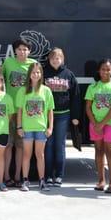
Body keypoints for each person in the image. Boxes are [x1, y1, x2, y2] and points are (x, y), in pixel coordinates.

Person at [85, 58, 111, 193]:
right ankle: (101, 181)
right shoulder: (93, 87)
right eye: (103, 69)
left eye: (108, 69)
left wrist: (102, 124)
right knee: (99, 151)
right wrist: (95, 123)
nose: (105, 72)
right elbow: (88, 107)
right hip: (95, 124)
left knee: (110, 151)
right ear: (99, 70)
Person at [43, 47, 81, 187]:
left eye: (58, 58)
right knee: (48, 145)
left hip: (63, 115)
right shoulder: (43, 73)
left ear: (62, 59)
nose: (55, 60)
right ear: (49, 59)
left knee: (60, 145)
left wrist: (75, 116)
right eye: (53, 58)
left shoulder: (68, 74)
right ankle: (47, 175)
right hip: (46, 115)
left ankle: (59, 175)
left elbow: (75, 97)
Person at [2, 39, 37, 187]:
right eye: (20, 49)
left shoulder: (33, 64)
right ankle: (6, 176)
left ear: (29, 51)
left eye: (25, 49)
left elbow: (38, 85)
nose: (22, 51)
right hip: (10, 112)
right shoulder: (8, 63)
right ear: (15, 50)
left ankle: (18, 176)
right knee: (8, 145)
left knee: (21, 146)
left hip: (25, 113)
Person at [16, 63, 54, 192]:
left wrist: (50, 128)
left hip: (41, 128)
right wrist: (19, 127)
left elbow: (50, 111)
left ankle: (42, 181)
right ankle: (25, 180)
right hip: (27, 128)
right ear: (29, 75)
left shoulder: (46, 90)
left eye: (38, 72)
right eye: (33, 72)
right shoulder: (23, 90)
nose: (35, 74)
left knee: (40, 155)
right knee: (26, 154)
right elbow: (20, 111)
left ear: (41, 74)